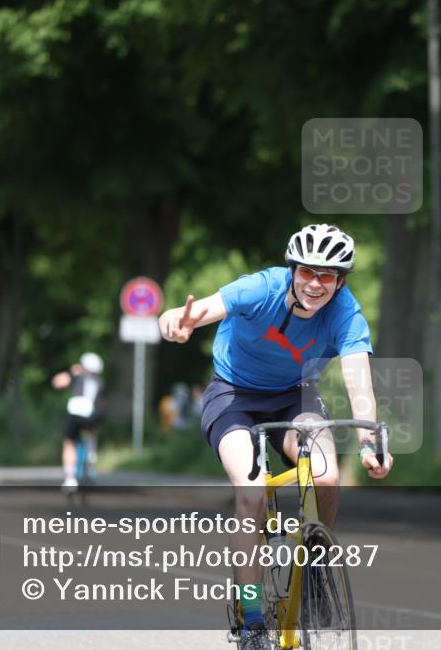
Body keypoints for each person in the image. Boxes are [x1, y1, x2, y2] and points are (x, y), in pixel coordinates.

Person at [158, 223, 393, 650]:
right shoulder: (259, 288)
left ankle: (317, 565)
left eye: (328, 276)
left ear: (340, 281)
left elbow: (358, 377)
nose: (316, 284)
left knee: (325, 475)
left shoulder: (345, 311)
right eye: (308, 272)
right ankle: (250, 621)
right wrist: (174, 322)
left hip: (295, 395)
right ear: (292, 270)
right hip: (233, 395)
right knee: (250, 490)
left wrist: (368, 441)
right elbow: (196, 312)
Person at [52, 352, 105, 491]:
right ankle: (92, 454)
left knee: (69, 443)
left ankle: (70, 479)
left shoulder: (77, 376)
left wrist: (72, 372)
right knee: (92, 430)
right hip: (92, 415)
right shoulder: (100, 382)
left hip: (75, 413)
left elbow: (58, 382)